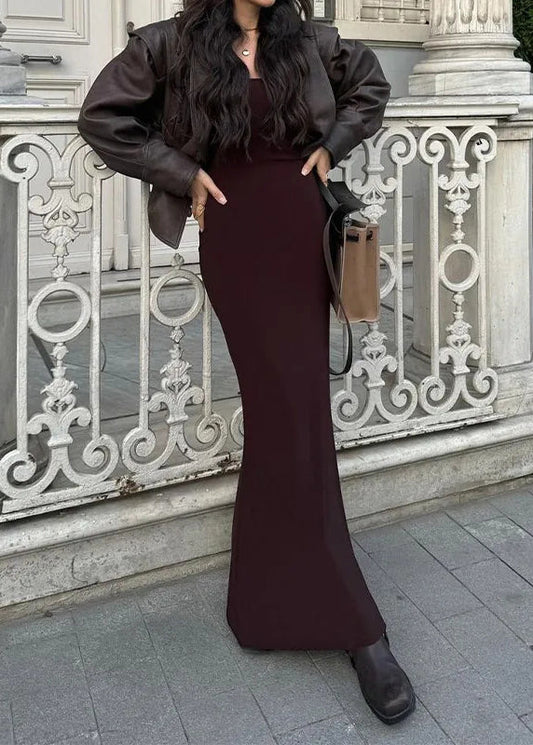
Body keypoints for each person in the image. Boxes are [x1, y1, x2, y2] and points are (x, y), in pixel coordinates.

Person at [77, 0, 416, 726]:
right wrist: (180, 171)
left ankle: (294, 607)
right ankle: (344, 621)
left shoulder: (311, 39)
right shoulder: (169, 44)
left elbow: (371, 87)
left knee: (295, 417)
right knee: (283, 414)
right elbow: (102, 117)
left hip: (300, 233)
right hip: (235, 238)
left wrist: (334, 144)